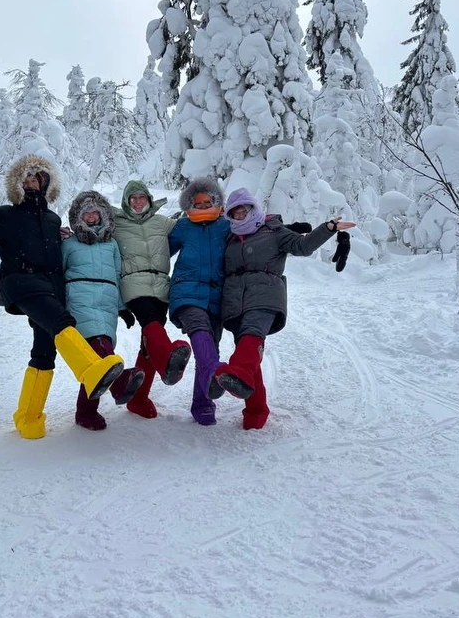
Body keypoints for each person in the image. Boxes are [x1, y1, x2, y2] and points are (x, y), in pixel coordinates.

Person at [0, 156, 125, 440]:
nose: (31, 182)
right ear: (17, 185)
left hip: (50, 287)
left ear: (46, 183)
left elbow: (57, 257)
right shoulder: (5, 215)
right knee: (61, 322)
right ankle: (92, 369)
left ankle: (28, 417)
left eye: (37, 178)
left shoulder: (51, 220)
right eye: (26, 179)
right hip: (22, 283)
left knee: (44, 352)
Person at [216, 188, 355, 430]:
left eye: (244, 210)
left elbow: (302, 246)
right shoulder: (228, 237)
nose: (240, 216)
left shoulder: (273, 230)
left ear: (253, 209)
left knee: (251, 336)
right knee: (248, 351)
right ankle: (256, 411)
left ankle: (236, 373)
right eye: (235, 213)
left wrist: (328, 229)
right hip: (236, 300)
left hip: (265, 295)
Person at [62, 191, 145, 431]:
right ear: (78, 216)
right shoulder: (69, 243)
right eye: (85, 212)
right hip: (80, 299)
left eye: (94, 212)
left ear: (103, 215)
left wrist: (122, 308)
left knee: (96, 361)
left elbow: (118, 277)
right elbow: (58, 272)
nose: (90, 216)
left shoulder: (111, 244)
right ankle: (120, 385)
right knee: (99, 351)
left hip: (107, 303)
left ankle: (86, 413)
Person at [112, 180, 191, 419]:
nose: (137, 202)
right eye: (133, 198)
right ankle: (167, 361)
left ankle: (138, 399)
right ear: (126, 201)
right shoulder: (116, 225)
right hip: (133, 284)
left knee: (148, 342)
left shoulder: (163, 223)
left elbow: (193, 226)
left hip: (161, 286)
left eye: (141, 197)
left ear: (148, 200)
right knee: (149, 323)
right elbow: (90, 227)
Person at [167, 178, 232, 426]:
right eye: (198, 203)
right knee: (200, 334)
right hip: (187, 292)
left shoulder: (226, 226)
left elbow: (252, 225)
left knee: (210, 350)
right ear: (189, 204)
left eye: (208, 202)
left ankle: (203, 403)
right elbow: (155, 248)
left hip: (216, 296)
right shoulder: (182, 227)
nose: (203, 206)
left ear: (216, 202)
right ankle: (216, 374)